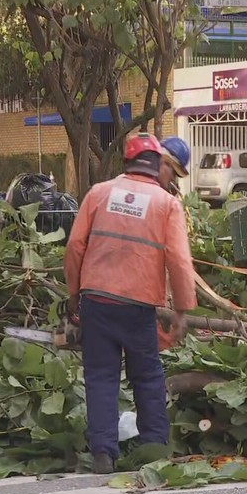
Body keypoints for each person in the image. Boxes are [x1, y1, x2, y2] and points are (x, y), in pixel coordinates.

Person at [65, 132, 197, 474]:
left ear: (126, 162)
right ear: (156, 164)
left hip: (96, 300)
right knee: (147, 374)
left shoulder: (98, 193)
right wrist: (181, 310)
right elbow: (180, 261)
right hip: (138, 306)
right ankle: (153, 446)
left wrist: (73, 296)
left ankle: (103, 454)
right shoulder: (166, 205)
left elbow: (75, 247)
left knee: (101, 376)